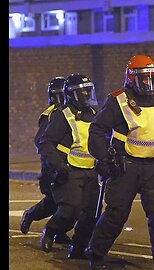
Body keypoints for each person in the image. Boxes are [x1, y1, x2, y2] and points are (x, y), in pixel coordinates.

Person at [84, 54, 154, 270]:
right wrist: (106, 158)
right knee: (116, 214)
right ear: (132, 79)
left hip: (150, 167)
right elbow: (97, 130)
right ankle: (95, 253)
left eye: (152, 77)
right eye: (144, 78)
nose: (148, 83)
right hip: (124, 166)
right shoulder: (118, 100)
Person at [36, 74, 100, 260]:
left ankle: (78, 249)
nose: (87, 94)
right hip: (70, 170)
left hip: (91, 170)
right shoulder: (62, 116)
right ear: (72, 95)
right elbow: (45, 143)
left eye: (88, 90)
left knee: (91, 213)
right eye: (82, 91)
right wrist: (59, 166)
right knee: (71, 209)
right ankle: (51, 230)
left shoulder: (95, 114)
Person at [20, 77, 71, 245]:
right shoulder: (49, 115)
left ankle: (59, 231)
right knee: (54, 203)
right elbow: (41, 141)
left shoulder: (71, 113)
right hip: (53, 167)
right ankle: (31, 215)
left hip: (72, 164)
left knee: (72, 201)